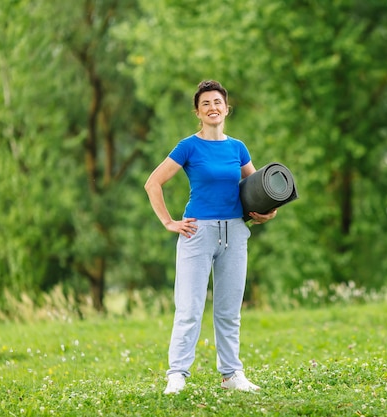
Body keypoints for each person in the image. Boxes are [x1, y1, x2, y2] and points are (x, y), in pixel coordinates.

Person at [144, 80, 277, 395]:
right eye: (206, 103)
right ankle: (177, 374)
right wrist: (168, 221)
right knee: (189, 308)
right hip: (197, 232)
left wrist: (267, 212)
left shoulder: (237, 147)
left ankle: (231, 375)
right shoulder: (188, 146)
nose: (212, 107)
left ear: (226, 108)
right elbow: (153, 183)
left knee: (229, 310)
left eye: (217, 102)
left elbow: (257, 189)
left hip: (235, 233)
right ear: (198, 112)